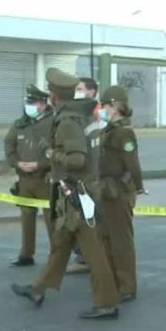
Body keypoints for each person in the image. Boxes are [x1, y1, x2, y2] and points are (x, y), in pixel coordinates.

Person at [11, 67, 120, 320]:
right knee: (61, 244)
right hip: (78, 192)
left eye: (50, 91)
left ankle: (107, 303)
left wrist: (52, 154)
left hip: (79, 195)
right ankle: (38, 289)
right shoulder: (82, 115)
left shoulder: (69, 122)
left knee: (93, 252)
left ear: (54, 95)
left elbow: (77, 159)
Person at [97, 85, 145, 302]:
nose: (102, 109)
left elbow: (132, 163)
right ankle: (114, 283)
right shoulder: (109, 130)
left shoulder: (123, 132)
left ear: (115, 106)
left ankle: (126, 286)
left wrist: (137, 186)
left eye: (105, 105)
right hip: (106, 190)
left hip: (117, 191)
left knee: (121, 241)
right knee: (107, 239)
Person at [4, 84, 55, 267]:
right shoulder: (20, 124)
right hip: (25, 180)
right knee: (26, 217)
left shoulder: (54, 122)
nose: (29, 106)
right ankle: (26, 254)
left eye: (33, 103)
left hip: (46, 179)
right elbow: (9, 145)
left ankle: (57, 256)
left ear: (43, 104)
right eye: (28, 102)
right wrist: (17, 163)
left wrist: (40, 164)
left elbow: (60, 151)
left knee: (52, 219)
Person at [66, 77, 104, 275]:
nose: (77, 92)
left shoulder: (98, 114)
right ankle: (85, 257)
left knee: (87, 219)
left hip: (92, 176)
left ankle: (88, 260)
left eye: (81, 89)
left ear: (92, 92)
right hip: (87, 176)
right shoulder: (81, 113)